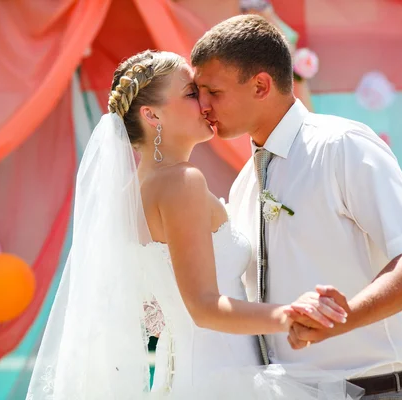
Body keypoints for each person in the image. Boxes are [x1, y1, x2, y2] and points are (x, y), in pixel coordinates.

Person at [26, 50, 362, 399]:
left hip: (184, 377)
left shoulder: (134, 193)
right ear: (152, 114)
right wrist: (288, 315)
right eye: (191, 93)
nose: (204, 103)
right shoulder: (182, 182)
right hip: (220, 378)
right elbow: (203, 306)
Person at [191, 14, 402, 399]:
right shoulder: (244, 183)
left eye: (214, 92)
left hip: (370, 391)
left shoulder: (343, 145)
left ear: (260, 85)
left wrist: (344, 318)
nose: (203, 106)